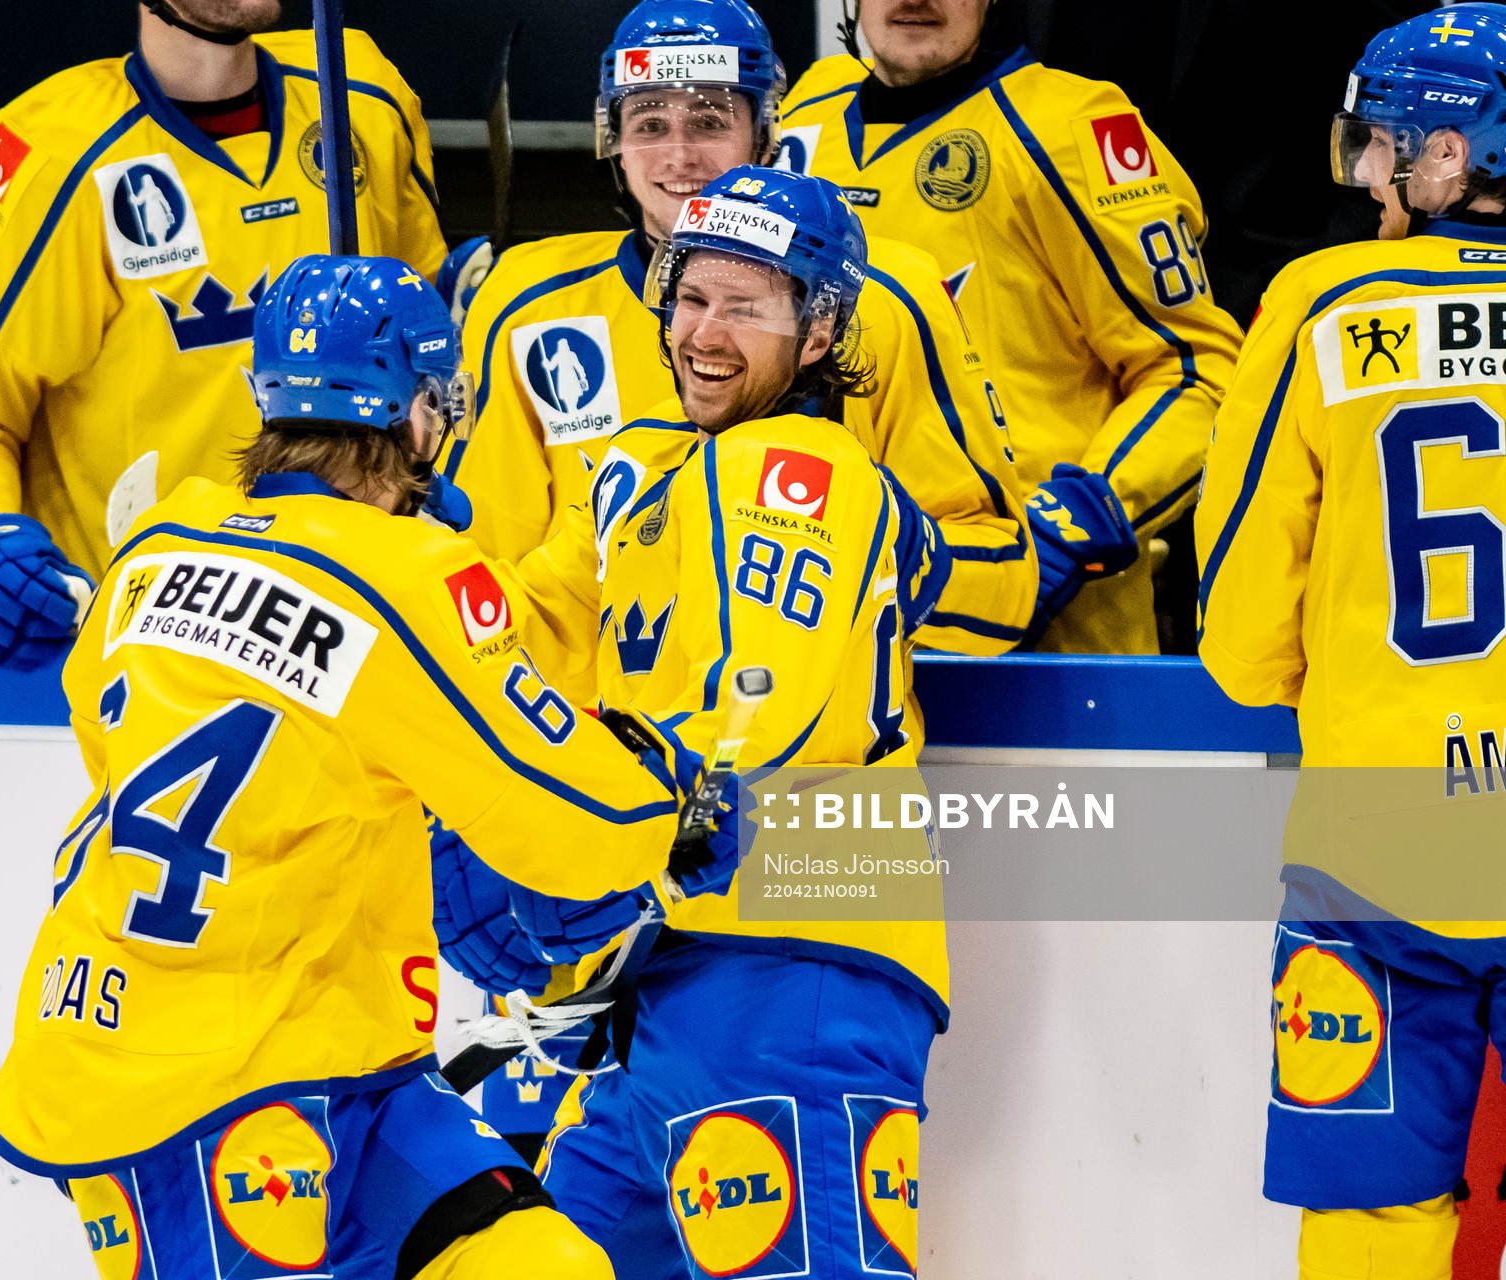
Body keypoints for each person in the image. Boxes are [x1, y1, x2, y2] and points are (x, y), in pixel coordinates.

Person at [0, 251, 745, 1280]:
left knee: (542, 1262)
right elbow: (574, 826)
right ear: (421, 415)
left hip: (331, 1055)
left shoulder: (158, 540)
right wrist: (674, 805)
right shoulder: (404, 574)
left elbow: (106, 724)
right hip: (194, 1085)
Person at [449, 168, 944, 1280]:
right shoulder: (645, 462)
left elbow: (756, 705)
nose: (704, 334)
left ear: (820, 332)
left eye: (745, 307)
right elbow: (518, 630)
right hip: (667, 978)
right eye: (690, 298)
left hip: (793, 965)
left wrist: (590, 839)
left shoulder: (802, 467)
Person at [1197, 10, 1506, 1278]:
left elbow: (1239, 621)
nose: (1369, 175)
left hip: (1382, 828)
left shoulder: (1325, 303)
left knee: (1373, 1218)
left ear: (1450, 153)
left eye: (1381, 146)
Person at [445, 0, 1033, 657]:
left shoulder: (885, 295)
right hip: (590, 713)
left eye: (709, 121)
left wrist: (871, 544)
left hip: (815, 713)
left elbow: (1002, 583)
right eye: (649, 123)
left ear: (766, 133)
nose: (679, 155)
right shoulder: (527, 301)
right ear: (614, 141)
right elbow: (481, 573)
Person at [0, 0, 446, 670]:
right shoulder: (58, 152)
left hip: (356, 634)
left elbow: (435, 347)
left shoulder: (361, 93)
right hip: (148, 648)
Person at [781, 0, 1243, 652]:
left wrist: (1075, 524)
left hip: (1046, 636)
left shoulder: (1072, 128)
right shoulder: (806, 115)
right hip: (831, 616)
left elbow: (1198, 373)